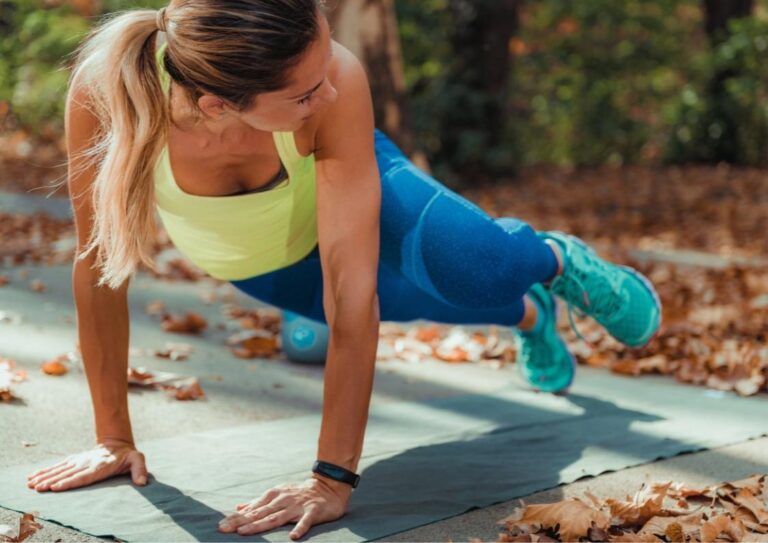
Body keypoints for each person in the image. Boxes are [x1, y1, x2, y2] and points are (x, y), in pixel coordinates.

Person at [25, 0, 662, 539]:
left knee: (477, 268)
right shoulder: (105, 93)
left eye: (326, 59)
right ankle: (532, 314)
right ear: (218, 106)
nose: (331, 87)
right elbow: (97, 262)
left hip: (360, 182)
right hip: (259, 261)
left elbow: (350, 293)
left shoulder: (332, 84)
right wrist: (113, 439)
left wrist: (331, 478)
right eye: (305, 92)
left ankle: (554, 259)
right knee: (430, 304)